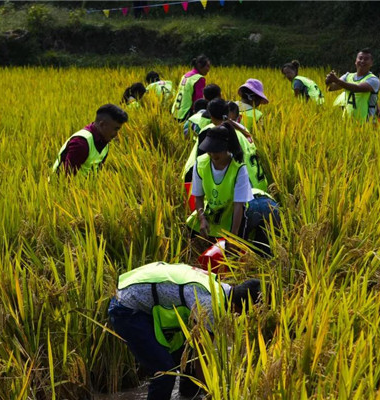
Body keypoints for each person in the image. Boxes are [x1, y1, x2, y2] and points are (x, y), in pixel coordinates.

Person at [108, 261, 262, 400]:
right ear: (241, 308)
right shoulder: (210, 306)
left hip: (139, 294)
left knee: (184, 360)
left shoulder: (222, 288)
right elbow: (201, 358)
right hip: (126, 307)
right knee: (165, 372)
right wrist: (212, 392)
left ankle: (188, 395)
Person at [187, 123, 280, 255]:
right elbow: (198, 197)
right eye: (210, 150)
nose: (212, 154)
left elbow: (239, 206)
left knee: (246, 250)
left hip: (259, 206)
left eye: (216, 150)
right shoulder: (201, 164)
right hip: (222, 208)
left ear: (227, 148)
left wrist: (233, 237)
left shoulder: (238, 168)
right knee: (193, 227)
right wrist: (202, 219)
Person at [52, 104, 128, 177]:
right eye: (115, 129)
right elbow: (65, 177)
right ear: (102, 125)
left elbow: (97, 172)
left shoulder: (104, 142)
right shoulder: (81, 143)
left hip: (84, 188)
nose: (116, 134)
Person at [325, 48, 380, 122]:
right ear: (355, 61)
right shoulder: (348, 76)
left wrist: (336, 80)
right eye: (360, 58)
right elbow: (332, 88)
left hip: (365, 124)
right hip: (347, 123)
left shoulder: (373, 80)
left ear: (371, 63)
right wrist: (328, 81)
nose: (362, 61)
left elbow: (357, 88)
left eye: (366, 59)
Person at [171, 55, 211, 121]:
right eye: (207, 66)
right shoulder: (199, 78)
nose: (208, 69)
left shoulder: (185, 76)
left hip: (176, 111)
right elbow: (199, 99)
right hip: (186, 112)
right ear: (199, 66)